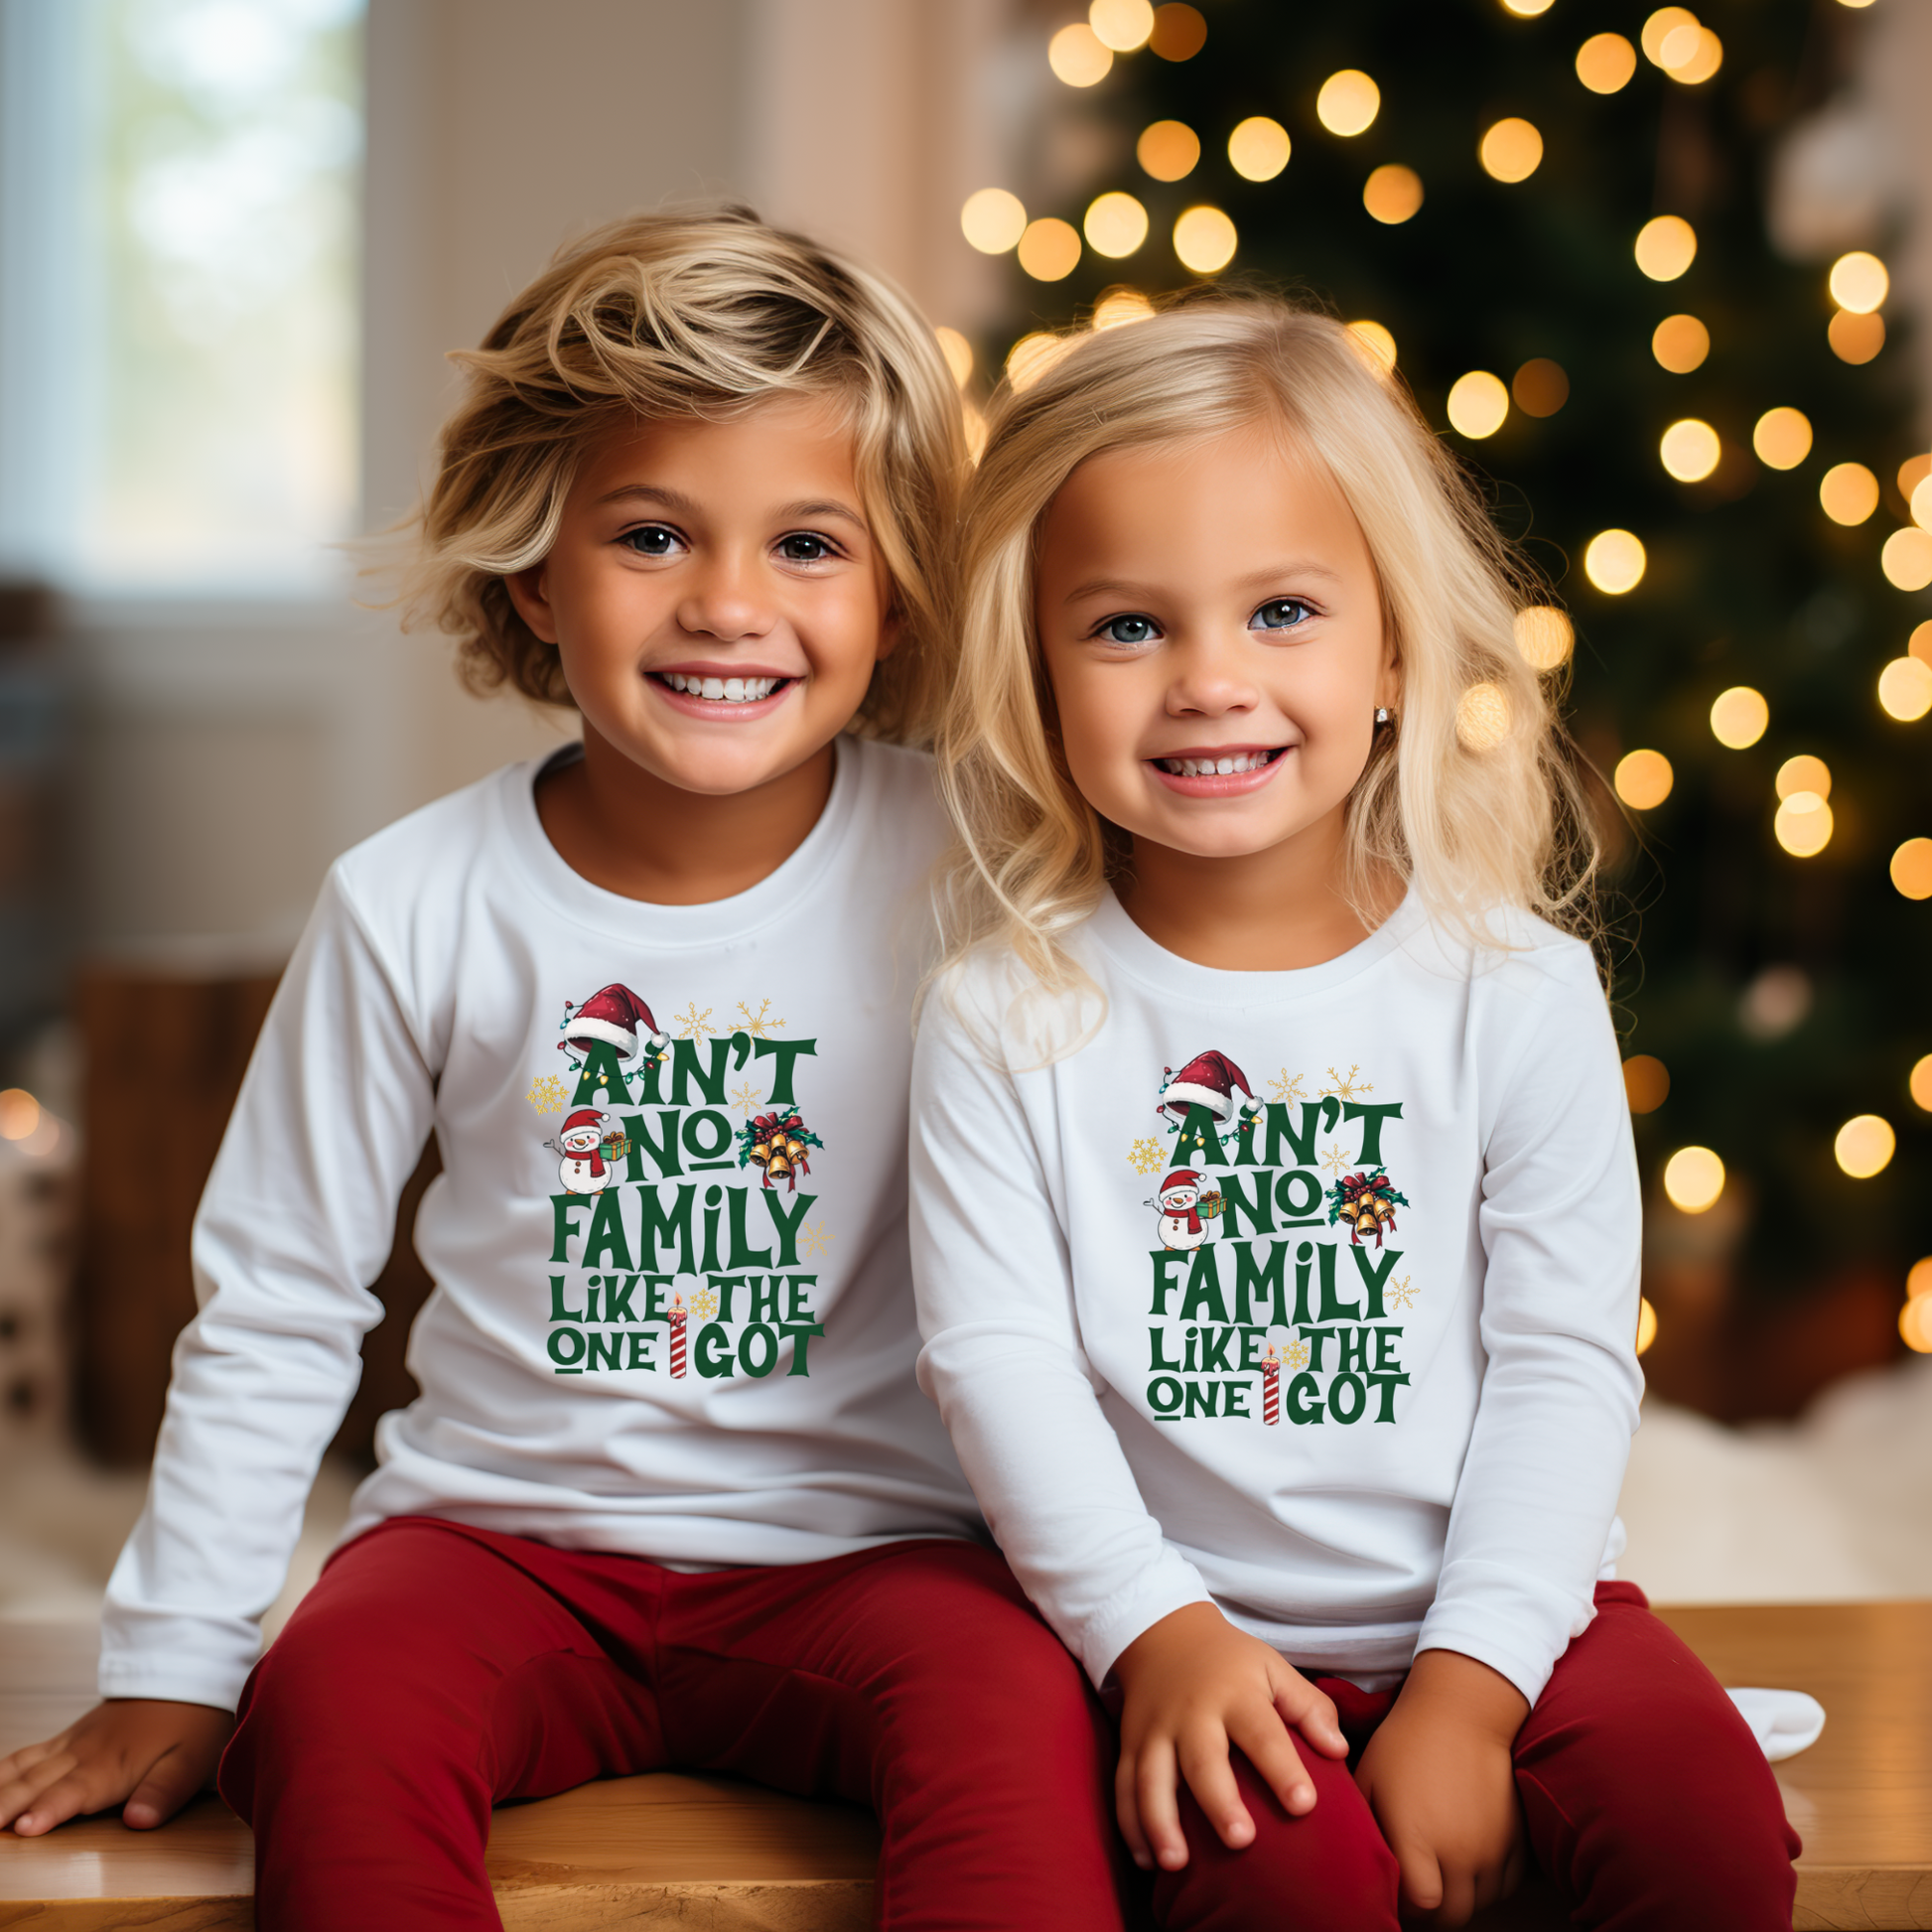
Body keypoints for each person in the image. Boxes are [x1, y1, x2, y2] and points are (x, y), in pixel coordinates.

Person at [0, 210, 1134, 1932]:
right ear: (535, 567)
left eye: (810, 542)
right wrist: (178, 1660)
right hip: (499, 1543)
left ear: (900, 590)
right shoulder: (411, 901)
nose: (729, 603)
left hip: (887, 1554)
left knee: (1023, 1718)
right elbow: (281, 1295)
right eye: (653, 532)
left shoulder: (985, 867)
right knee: (329, 1709)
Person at [909, 297, 1799, 1930]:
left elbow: (1560, 1359)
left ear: (1389, 647)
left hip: (1522, 1608)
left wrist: (1469, 1685)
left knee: (1706, 1831)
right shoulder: (1001, 1015)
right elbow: (997, 1368)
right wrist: (1154, 1633)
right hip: (1190, 1623)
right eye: (1124, 628)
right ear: (1032, 666)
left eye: (1282, 611)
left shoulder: (1511, 988)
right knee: (1282, 1890)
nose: (1206, 683)